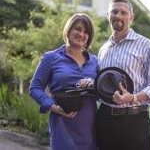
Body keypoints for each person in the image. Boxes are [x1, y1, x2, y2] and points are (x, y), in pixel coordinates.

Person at [96, 0, 150, 150]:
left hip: (134, 121)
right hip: (105, 119)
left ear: (131, 17)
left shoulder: (147, 46)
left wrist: (133, 97)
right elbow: (101, 83)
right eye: (114, 12)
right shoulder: (103, 49)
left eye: (123, 12)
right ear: (108, 15)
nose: (118, 16)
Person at [29, 13, 99, 150]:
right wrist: (54, 107)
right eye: (78, 29)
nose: (81, 34)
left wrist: (93, 83)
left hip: (90, 126)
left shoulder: (94, 61)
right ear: (68, 30)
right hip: (62, 125)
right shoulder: (51, 58)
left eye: (86, 32)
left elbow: (100, 92)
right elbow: (35, 88)